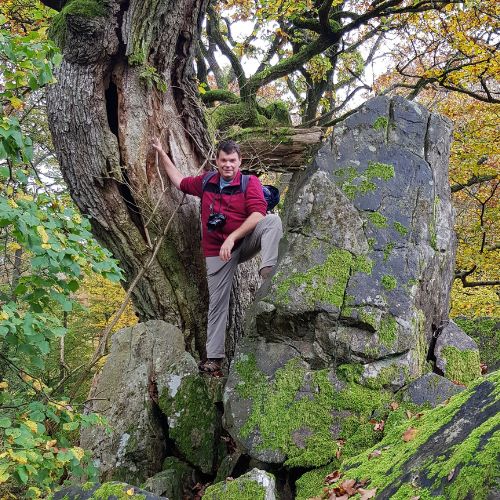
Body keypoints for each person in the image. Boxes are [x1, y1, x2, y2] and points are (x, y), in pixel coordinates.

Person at [151, 138, 283, 375]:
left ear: (239, 161)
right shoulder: (207, 181)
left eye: (233, 160)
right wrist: (162, 152)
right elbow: (179, 181)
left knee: (273, 221)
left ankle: (268, 273)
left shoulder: (249, 182)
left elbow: (258, 214)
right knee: (217, 304)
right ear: (217, 161)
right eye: (224, 160)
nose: (228, 165)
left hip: (244, 241)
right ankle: (214, 358)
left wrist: (232, 237)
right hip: (216, 251)